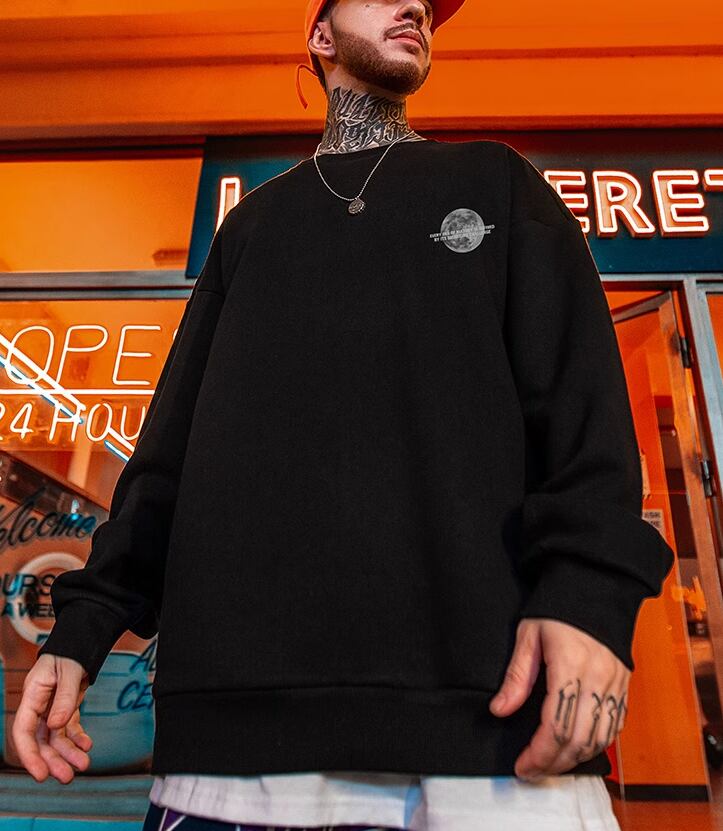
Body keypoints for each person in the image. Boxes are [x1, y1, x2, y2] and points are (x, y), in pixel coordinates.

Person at [13, 1, 675, 830]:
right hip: (234, 758)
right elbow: (165, 462)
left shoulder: (496, 183)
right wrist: (81, 629)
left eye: (426, 5)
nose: (415, 8)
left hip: (485, 745)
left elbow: (585, 418)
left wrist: (588, 600)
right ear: (319, 36)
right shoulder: (251, 227)